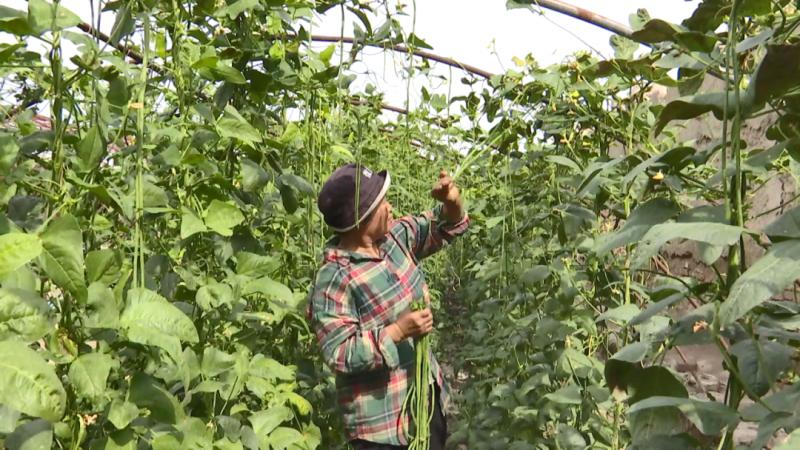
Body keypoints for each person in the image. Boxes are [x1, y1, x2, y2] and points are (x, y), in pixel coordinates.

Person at [308, 163, 469, 450]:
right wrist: (397, 331)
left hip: (425, 401)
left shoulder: (395, 238)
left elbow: (446, 224)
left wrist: (452, 202)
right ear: (361, 219)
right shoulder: (335, 277)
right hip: (381, 429)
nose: (390, 207)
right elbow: (339, 352)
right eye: (381, 203)